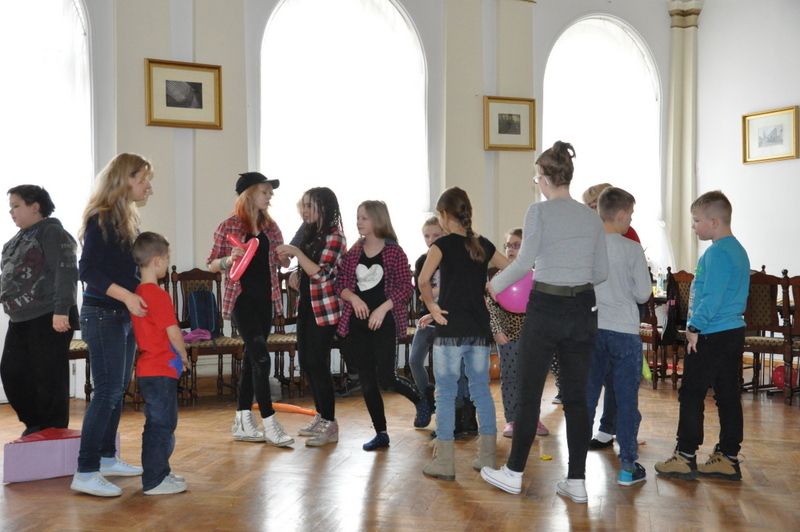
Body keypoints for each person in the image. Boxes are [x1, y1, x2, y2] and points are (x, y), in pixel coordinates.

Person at [481, 141, 608, 504]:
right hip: (583, 308)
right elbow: (601, 272)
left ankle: (513, 473)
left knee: (529, 391)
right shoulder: (591, 216)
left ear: (544, 178)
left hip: (546, 308)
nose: (536, 183)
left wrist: (494, 286)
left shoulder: (538, 211)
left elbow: (523, 263)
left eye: (536, 177)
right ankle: (577, 481)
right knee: (577, 398)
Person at [71, 153, 153, 497]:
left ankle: (106, 457)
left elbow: (125, 271)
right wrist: (127, 296)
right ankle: (85, 470)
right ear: (123, 180)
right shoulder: (100, 218)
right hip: (102, 314)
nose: (148, 186)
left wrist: (142, 294)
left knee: (117, 390)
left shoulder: (126, 220)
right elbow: (87, 270)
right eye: (142, 179)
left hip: (122, 313)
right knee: (106, 392)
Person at [654, 190, 749, 481]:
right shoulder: (738, 250)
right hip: (731, 332)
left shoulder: (717, 253)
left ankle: (685, 456)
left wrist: (694, 327)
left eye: (696, 221)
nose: (693, 226)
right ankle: (728, 457)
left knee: (692, 393)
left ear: (714, 222)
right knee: (727, 394)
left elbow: (712, 297)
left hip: (710, 333)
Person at [418, 186, 509, 481]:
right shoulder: (483, 245)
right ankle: (487, 457)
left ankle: (445, 462)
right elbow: (511, 268)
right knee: (481, 390)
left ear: (445, 215)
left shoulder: (441, 245)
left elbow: (422, 280)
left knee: (445, 393)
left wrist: (432, 307)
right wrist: (492, 286)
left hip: (450, 330)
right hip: (479, 330)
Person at [206, 172, 294, 446]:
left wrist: (285, 258)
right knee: (262, 358)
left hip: (266, 301)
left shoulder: (271, 227)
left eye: (270, 193)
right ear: (249, 194)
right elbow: (211, 263)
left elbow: (280, 263)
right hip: (241, 300)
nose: (270, 197)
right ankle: (269, 422)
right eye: (265, 192)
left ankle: (242, 421)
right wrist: (227, 260)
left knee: (252, 359)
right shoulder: (228, 226)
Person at [335, 200, 422, 451]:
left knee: (386, 377)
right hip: (357, 325)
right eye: (357, 217)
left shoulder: (394, 252)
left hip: (385, 323)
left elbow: (406, 287)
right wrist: (353, 299)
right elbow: (340, 283)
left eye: (364, 218)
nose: (359, 222)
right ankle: (381, 433)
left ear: (378, 219)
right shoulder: (354, 252)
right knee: (367, 380)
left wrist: (383, 308)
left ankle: (420, 399)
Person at [584, 187, 652, 486]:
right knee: (626, 400)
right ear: (622, 214)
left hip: (593, 329)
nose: (631, 220)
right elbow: (643, 293)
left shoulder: (587, 247)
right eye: (631, 215)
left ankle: (576, 470)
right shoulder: (632, 248)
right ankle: (627, 467)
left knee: (587, 397)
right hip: (624, 332)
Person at [1, 185, 78, 437]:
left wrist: (61, 310)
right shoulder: (15, 241)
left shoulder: (52, 231)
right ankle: (36, 425)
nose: (11, 212)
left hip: (49, 316)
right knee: (12, 372)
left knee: (49, 378)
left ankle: (53, 431)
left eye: (16, 206)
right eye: (10, 207)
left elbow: (66, 271)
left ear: (35, 207)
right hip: (20, 319)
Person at [276, 187, 346, 447]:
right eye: (303, 205)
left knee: (317, 362)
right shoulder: (308, 231)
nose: (304, 211)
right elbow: (294, 262)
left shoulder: (335, 236)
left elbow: (321, 273)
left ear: (323, 208)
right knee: (307, 360)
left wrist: (297, 255)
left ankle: (330, 422)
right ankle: (321, 415)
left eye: (310, 206)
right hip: (307, 305)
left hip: (325, 308)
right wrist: (293, 270)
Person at [130, 232, 189, 495]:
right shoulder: (157, 295)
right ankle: (154, 480)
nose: (167, 263)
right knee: (161, 425)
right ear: (156, 261)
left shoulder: (138, 293)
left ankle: (160, 472)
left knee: (161, 423)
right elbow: (173, 331)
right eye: (166, 259)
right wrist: (183, 354)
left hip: (149, 369)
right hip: (160, 370)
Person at [486, 228, 549, 439]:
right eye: (508, 246)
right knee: (511, 377)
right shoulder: (499, 278)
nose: (511, 250)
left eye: (517, 245)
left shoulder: (536, 277)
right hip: (508, 336)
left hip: (533, 336)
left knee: (532, 379)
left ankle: (532, 418)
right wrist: (496, 330)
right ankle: (512, 419)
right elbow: (491, 307)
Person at [408, 216, 442, 428]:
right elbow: (422, 294)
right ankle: (426, 399)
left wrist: (434, 291)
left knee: (441, 368)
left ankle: (443, 408)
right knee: (414, 361)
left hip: (446, 321)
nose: (431, 240)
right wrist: (436, 291)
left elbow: (451, 292)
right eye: (427, 236)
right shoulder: (422, 261)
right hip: (425, 319)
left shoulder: (451, 260)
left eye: (436, 235)